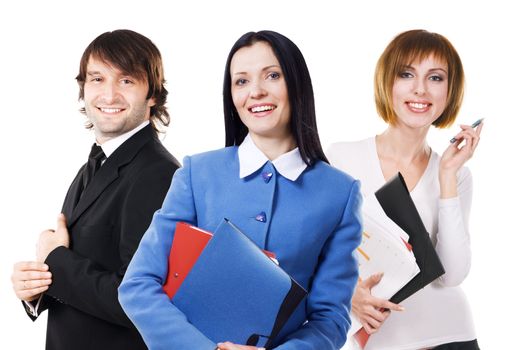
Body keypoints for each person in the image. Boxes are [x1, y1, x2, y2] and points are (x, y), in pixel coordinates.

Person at [118, 30, 363, 350]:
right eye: (241, 81)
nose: (256, 92)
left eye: (272, 76)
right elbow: (137, 285)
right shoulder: (198, 174)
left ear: (296, 84)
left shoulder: (340, 192)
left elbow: (330, 318)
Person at [10, 29, 180, 350]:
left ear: (153, 94)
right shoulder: (95, 165)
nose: (109, 95)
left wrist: (55, 258)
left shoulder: (158, 174)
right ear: (83, 88)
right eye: (97, 79)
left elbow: (140, 303)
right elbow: (87, 269)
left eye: (126, 80)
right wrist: (38, 288)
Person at [328, 29, 482, 349]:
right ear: (388, 82)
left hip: (452, 336)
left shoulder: (456, 175)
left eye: (436, 78)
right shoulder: (340, 159)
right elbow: (309, 254)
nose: (420, 89)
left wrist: (448, 176)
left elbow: (451, 276)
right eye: (406, 74)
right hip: (382, 342)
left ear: (449, 91)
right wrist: (347, 293)